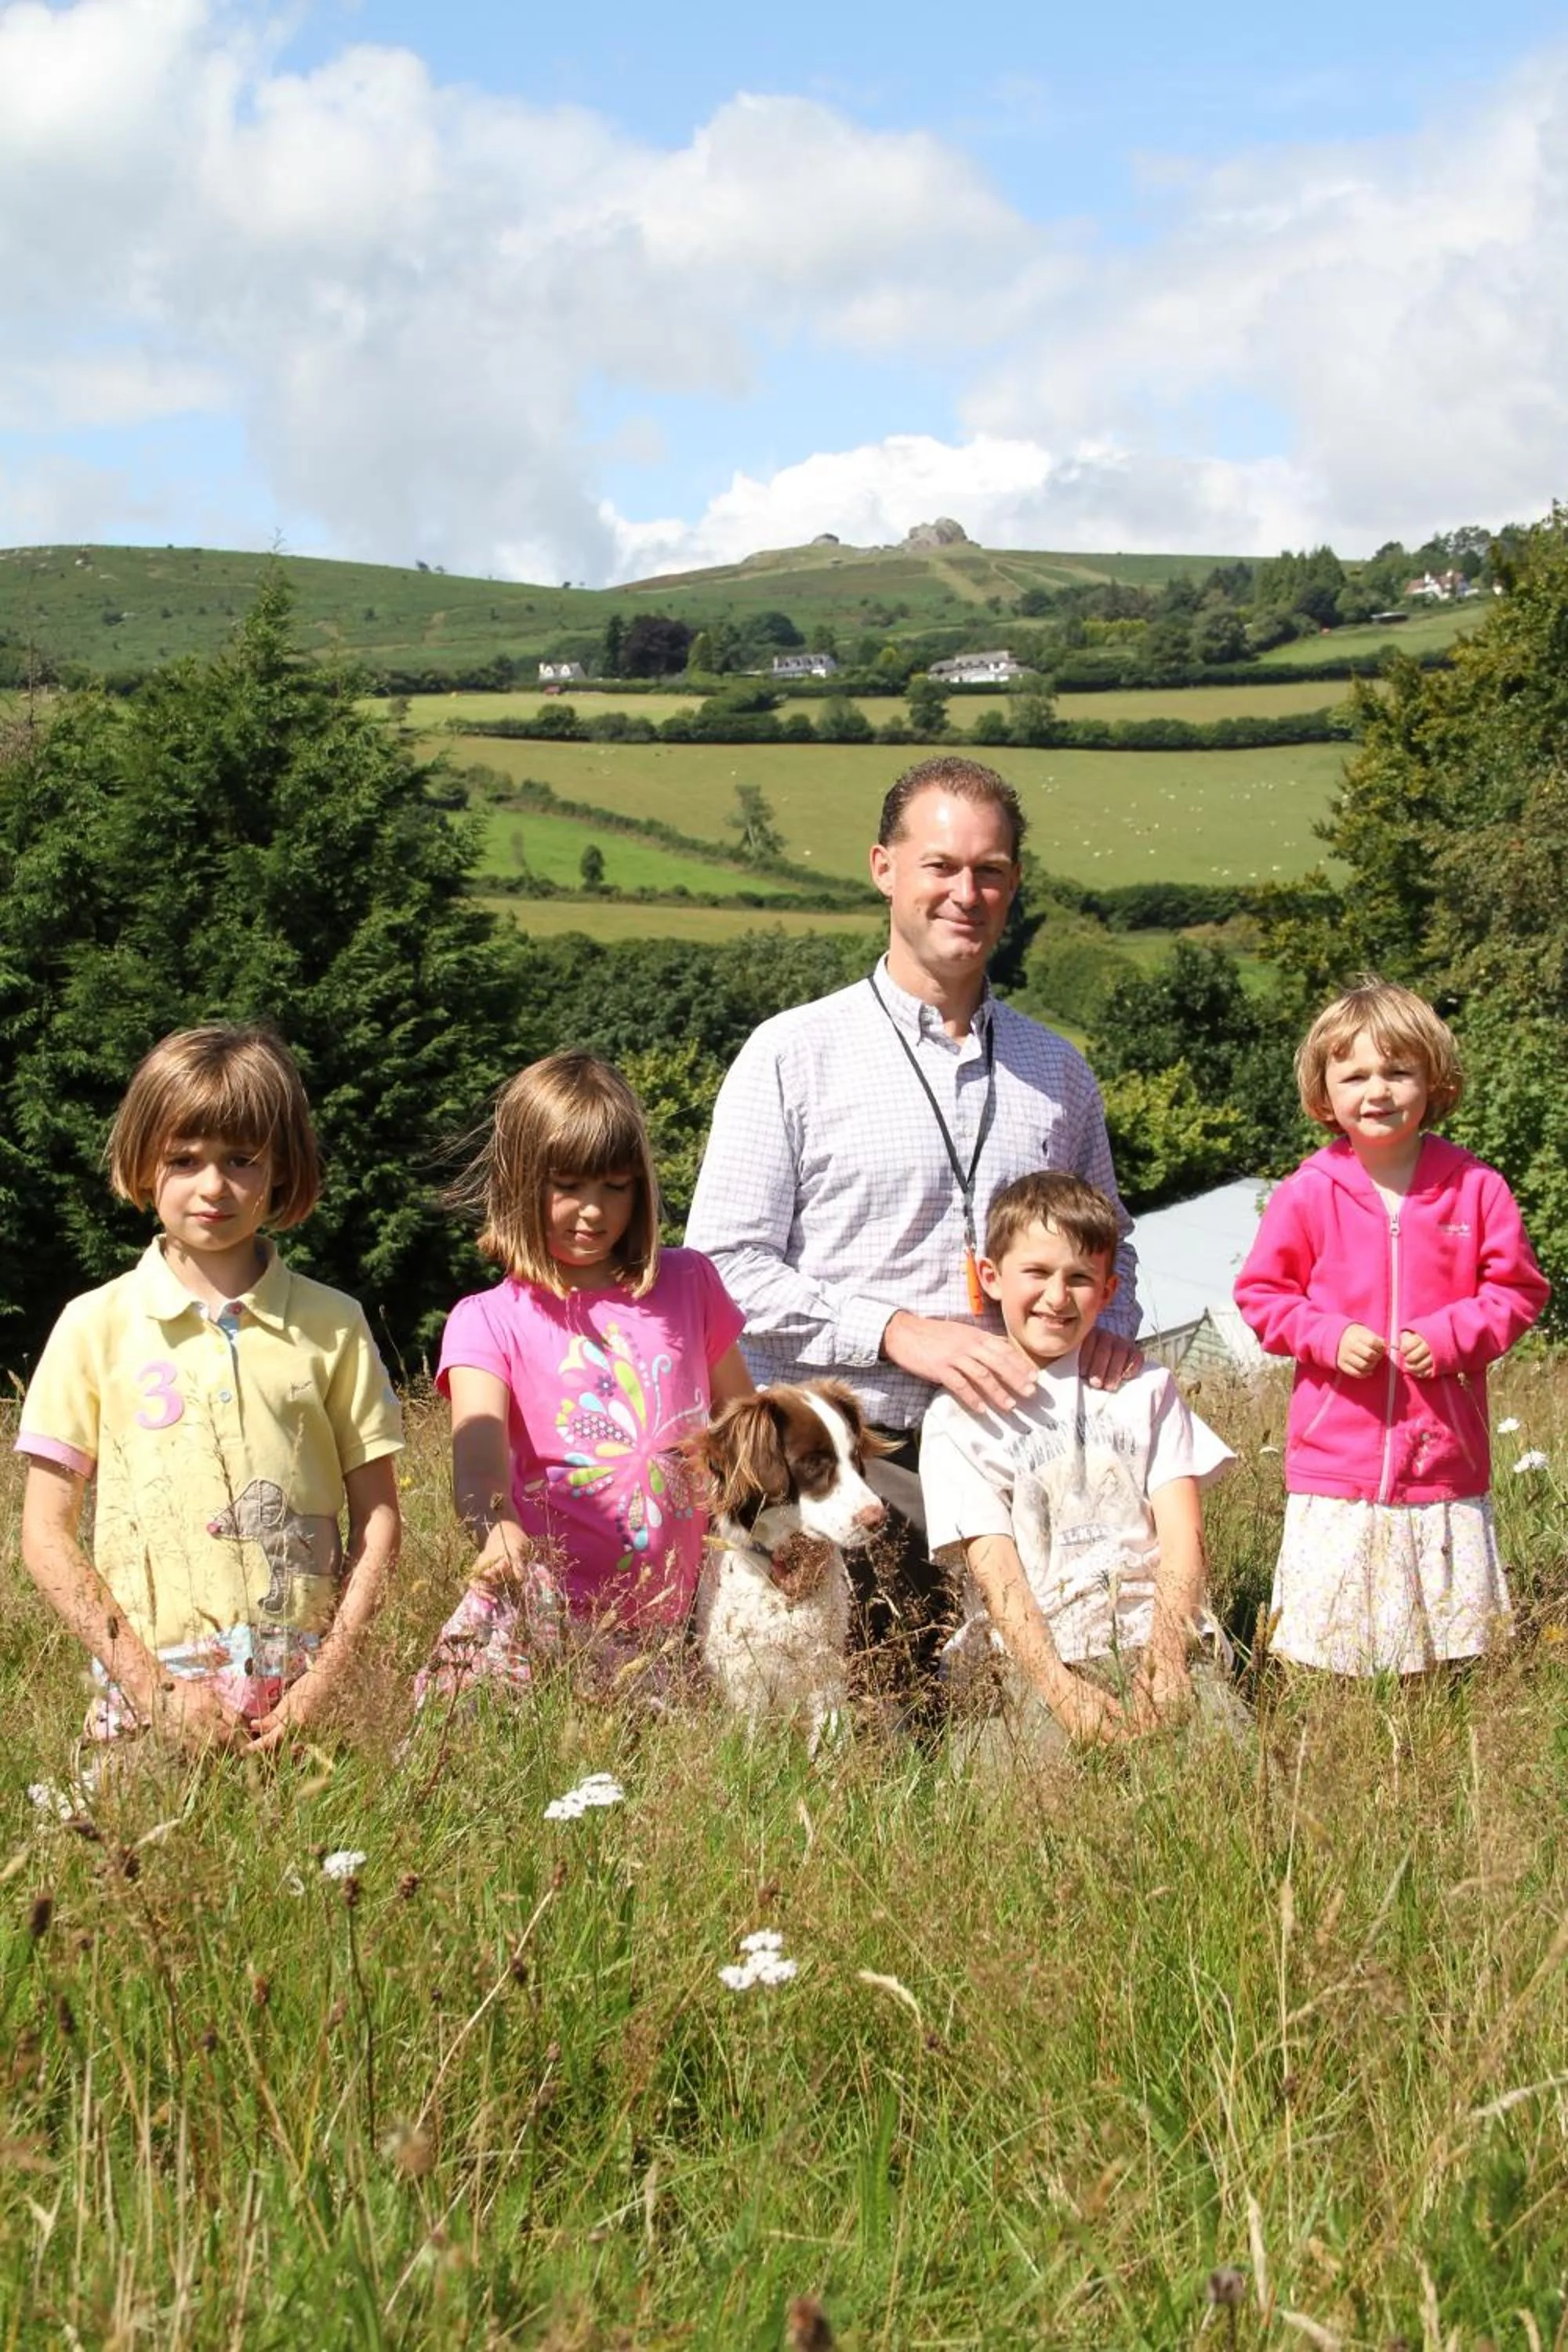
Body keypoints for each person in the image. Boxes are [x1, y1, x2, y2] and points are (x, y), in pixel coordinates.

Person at [685, 754, 1139, 1664]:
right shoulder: (790, 1054)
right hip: (842, 1473)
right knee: (858, 1740)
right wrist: (897, 1331)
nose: (964, 892)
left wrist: (1111, 1354)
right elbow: (721, 1268)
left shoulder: (1058, 1072)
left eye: (989, 870)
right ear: (883, 868)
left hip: (1025, 1463)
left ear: (1013, 886)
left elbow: (1111, 1260)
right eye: (939, 865)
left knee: (1024, 1736)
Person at [16, 1025, 404, 1759]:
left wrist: (325, 1683)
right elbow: (44, 1535)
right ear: (141, 1164)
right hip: (147, 1696)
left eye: (241, 1160)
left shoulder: (335, 1324)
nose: (214, 1186)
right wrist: (153, 1690)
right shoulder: (93, 1325)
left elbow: (379, 1518)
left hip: (308, 1699)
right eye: (184, 1160)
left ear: (281, 1170)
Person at [1234, 978, 1549, 1675]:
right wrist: (1326, 1336)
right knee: (1336, 1658)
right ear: (1325, 1094)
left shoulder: (1475, 1186)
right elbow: (1262, 1294)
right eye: (1355, 1075)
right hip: (1335, 1461)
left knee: (1448, 1660)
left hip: (1442, 1459)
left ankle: (1439, 1753)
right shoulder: (1308, 1191)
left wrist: (1449, 1338)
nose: (1377, 1091)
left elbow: (1518, 1290)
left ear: (1432, 1080)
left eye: (1397, 1071)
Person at [416, 1052, 754, 1704]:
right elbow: (478, 1462)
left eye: (616, 1187)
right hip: (539, 1630)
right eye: (567, 1185)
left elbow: (745, 1430)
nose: (593, 1212)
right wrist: (495, 1527)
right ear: (519, 1182)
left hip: (674, 1633)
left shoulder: (689, 1284)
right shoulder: (487, 1321)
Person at [919, 1171, 1243, 1759]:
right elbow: (997, 1575)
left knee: (1228, 1777)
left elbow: (1183, 1540)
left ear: (1110, 1288)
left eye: (1079, 1279)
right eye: (1037, 1274)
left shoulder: (1146, 1389)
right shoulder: (957, 1419)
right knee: (1029, 1805)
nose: (1057, 1297)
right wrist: (1063, 1694)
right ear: (991, 1277)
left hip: (1154, 1634)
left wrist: (1167, 1663)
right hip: (1029, 1657)